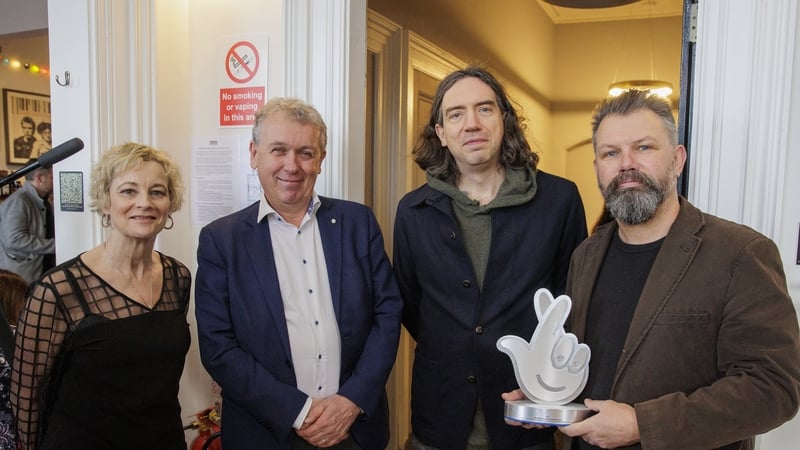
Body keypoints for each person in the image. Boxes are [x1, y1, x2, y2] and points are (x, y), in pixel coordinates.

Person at [552, 89, 800, 449]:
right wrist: (543, 397)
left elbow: (774, 389)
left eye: (644, 148)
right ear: (597, 169)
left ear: (677, 159)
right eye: (611, 153)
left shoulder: (742, 253)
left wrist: (642, 424)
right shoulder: (585, 254)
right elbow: (586, 364)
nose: (626, 164)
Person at [392, 66, 588, 450]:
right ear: (441, 134)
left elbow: (572, 301)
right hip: (439, 416)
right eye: (456, 114)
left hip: (526, 415)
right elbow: (412, 306)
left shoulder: (559, 200)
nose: (472, 124)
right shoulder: (412, 211)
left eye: (484, 109)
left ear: (504, 120)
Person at [195, 97, 402, 450]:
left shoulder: (357, 223)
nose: (291, 165)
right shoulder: (222, 239)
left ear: (320, 160)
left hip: (354, 429)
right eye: (278, 150)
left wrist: (351, 401)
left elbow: (388, 313)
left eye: (305, 153)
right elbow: (218, 346)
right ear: (254, 153)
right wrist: (299, 411)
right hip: (265, 433)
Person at [10, 142, 192, 449]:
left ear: (170, 204)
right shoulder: (58, 289)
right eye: (128, 191)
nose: (144, 202)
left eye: (157, 192)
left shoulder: (178, 277)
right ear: (105, 202)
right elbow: (26, 398)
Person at [0, 163, 55, 283]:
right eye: (52, 176)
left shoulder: (41, 200)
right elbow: (15, 239)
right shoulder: (19, 201)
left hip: (37, 272)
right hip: (22, 277)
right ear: (40, 178)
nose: (55, 180)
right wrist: (54, 246)